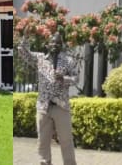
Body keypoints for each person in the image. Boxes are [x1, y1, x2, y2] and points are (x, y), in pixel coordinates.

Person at [17, 32, 77, 165]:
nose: (55, 44)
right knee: (43, 140)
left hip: (61, 107)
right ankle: (45, 161)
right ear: (47, 45)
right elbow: (22, 52)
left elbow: (75, 79)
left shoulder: (68, 61)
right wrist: (26, 36)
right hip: (43, 107)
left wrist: (63, 78)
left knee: (66, 140)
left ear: (61, 46)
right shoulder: (40, 58)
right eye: (52, 42)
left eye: (58, 43)